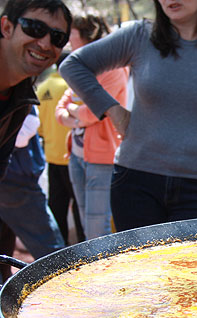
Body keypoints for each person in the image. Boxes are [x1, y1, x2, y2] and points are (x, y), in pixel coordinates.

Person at [59, 0, 197, 232]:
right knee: (141, 269)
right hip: (135, 184)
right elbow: (73, 66)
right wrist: (113, 111)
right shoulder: (139, 35)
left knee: (192, 269)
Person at [56, 14, 128, 240]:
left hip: (101, 157)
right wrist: (78, 114)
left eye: (71, 32)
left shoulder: (113, 69)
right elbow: (61, 108)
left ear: (87, 33)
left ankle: (102, 273)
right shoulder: (78, 67)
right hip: (77, 155)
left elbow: (94, 111)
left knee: (97, 226)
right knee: (86, 222)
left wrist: (75, 114)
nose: (67, 38)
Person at [0, 0, 71, 180]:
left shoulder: (21, 97)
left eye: (57, 37)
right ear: (7, 27)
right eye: (34, 28)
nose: (45, 44)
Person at [0, 106, 65, 282]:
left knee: (5, 242)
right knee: (53, 254)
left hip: (12, 177)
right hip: (15, 180)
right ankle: (68, 298)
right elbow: (24, 132)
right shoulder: (13, 88)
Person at [36, 52, 85, 245]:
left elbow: (38, 127)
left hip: (51, 158)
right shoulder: (72, 88)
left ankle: (59, 254)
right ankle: (84, 254)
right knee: (80, 210)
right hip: (73, 158)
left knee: (57, 210)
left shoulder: (43, 87)